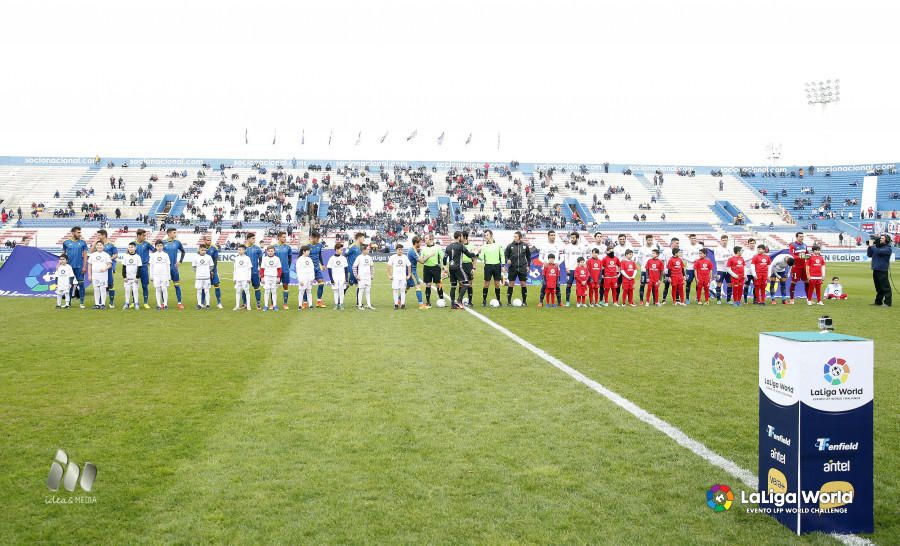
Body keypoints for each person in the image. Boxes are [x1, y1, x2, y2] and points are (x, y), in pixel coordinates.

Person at [444, 230, 479, 309]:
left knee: (453, 286)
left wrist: (445, 267)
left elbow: (444, 258)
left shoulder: (448, 247)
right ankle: (459, 301)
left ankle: (453, 304)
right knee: (466, 283)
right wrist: (476, 254)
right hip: (458, 268)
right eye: (461, 236)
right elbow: (469, 255)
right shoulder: (461, 246)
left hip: (451, 268)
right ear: (459, 237)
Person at [505, 231, 534, 306]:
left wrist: (528, 266)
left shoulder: (525, 245)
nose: (514, 238)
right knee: (511, 284)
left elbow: (528, 256)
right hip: (512, 268)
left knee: (523, 284)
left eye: (516, 236)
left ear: (519, 237)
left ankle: (524, 301)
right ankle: (508, 302)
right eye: (514, 236)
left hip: (522, 267)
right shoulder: (510, 246)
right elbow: (506, 255)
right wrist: (507, 260)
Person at [61, 226, 88, 308]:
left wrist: (84, 266)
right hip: (69, 267)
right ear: (73, 233)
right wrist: (61, 265)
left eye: (80, 232)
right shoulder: (66, 242)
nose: (80, 234)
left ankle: (82, 303)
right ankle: (68, 303)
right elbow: (63, 255)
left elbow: (85, 255)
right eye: (78, 232)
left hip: (79, 267)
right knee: (69, 285)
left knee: (81, 284)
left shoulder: (83, 243)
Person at [478, 229, 505, 307]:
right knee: (486, 284)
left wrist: (503, 265)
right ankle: (484, 300)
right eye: (485, 235)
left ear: (491, 235)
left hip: (497, 266)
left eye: (487, 235)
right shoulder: (484, 246)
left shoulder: (498, 245)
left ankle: (498, 300)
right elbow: (481, 257)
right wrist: (477, 254)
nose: (486, 237)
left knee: (497, 284)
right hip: (488, 266)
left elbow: (502, 255)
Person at [538, 230, 564, 306]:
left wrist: (558, 263)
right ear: (548, 236)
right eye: (551, 235)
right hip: (546, 269)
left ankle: (559, 302)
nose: (553, 236)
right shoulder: (544, 245)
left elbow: (562, 257)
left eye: (554, 235)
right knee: (544, 285)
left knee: (557, 286)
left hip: (556, 269)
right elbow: (540, 257)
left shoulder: (559, 245)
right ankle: (541, 302)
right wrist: (544, 262)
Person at [163, 227, 186, 309]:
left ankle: (179, 303)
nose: (175, 234)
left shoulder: (177, 243)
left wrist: (180, 261)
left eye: (175, 232)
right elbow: (156, 252)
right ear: (168, 233)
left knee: (177, 285)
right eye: (174, 232)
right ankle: (164, 303)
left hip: (174, 268)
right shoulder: (162, 243)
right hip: (165, 269)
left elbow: (183, 251)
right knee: (164, 286)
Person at [420, 232, 445, 307]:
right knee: (428, 285)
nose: (425, 240)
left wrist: (444, 267)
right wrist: (429, 255)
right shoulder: (423, 248)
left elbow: (443, 257)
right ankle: (428, 302)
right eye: (425, 238)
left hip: (436, 268)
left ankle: (442, 300)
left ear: (431, 239)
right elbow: (422, 260)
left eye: (426, 238)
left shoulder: (437, 247)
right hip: (427, 268)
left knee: (438, 284)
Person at [867, 234, 892, 307]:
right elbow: (869, 254)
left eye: (882, 238)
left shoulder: (888, 248)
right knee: (878, 287)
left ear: (886, 240)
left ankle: (888, 302)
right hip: (876, 269)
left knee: (885, 287)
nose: (880, 239)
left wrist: (872, 245)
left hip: (882, 270)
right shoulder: (877, 247)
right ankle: (878, 301)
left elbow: (877, 251)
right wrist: (869, 247)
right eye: (880, 238)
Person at [563, 232, 586, 307]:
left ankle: (580, 302)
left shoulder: (582, 246)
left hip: (580, 270)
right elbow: (566, 258)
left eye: (573, 238)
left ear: (577, 238)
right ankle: (567, 301)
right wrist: (567, 267)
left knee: (581, 286)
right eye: (571, 238)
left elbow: (584, 257)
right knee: (569, 285)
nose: (572, 239)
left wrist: (584, 267)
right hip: (571, 269)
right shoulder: (568, 247)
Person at [86, 240, 112, 309]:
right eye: (98, 245)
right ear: (96, 246)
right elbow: (89, 265)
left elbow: (109, 265)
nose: (99, 246)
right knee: (96, 289)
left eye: (101, 245)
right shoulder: (92, 255)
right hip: (95, 275)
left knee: (102, 288)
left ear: (103, 246)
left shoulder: (106, 255)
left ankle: (103, 304)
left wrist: (105, 268)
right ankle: (97, 304)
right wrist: (89, 275)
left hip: (103, 274)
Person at [97, 229, 119, 308]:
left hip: (108, 267)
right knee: (100, 284)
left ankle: (111, 302)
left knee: (110, 284)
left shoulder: (111, 244)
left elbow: (116, 254)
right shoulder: (98, 244)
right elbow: (93, 252)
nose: (97, 237)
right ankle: (99, 302)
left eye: (99, 235)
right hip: (99, 267)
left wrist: (109, 259)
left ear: (103, 235)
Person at [307, 230, 328, 308]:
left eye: (318, 238)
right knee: (307, 286)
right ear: (312, 238)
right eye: (317, 238)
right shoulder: (307, 247)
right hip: (309, 269)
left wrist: (322, 264)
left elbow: (320, 255)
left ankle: (319, 302)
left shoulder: (319, 245)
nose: (318, 240)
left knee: (321, 283)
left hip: (317, 268)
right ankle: (305, 302)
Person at [387, 243, 412, 310]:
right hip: (395, 277)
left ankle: (403, 304)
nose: (400, 251)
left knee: (402, 290)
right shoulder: (393, 257)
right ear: (396, 250)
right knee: (395, 290)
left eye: (401, 249)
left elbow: (409, 265)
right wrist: (389, 275)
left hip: (403, 277)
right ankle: (396, 304)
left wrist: (409, 274)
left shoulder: (405, 257)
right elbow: (388, 266)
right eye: (399, 249)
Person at [133, 228, 154, 308]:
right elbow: (128, 254)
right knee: (134, 285)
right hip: (134, 268)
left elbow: (155, 251)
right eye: (143, 235)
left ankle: (145, 302)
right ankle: (134, 302)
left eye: (145, 235)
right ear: (138, 235)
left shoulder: (147, 244)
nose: (145, 237)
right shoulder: (133, 244)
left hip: (144, 267)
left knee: (145, 285)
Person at [788, 232, 810, 304]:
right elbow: (792, 256)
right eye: (800, 236)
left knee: (807, 282)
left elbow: (808, 254)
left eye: (802, 236)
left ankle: (808, 299)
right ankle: (791, 299)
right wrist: (802, 256)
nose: (802, 238)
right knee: (793, 282)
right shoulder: (793, 245)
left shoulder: (804, 245)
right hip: (796, 267)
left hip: (804, 266)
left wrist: (808, 256)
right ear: (796, 237)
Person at [119, 242, 143, 310]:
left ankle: (136, 303)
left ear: (135, 248)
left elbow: (139, 268)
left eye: (132, 247)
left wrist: (137, 277)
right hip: (127, 278)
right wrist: (124, 277)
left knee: (135, 290)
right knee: (127, 290)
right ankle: (126, 303)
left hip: (135, 278)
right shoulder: (125, 256)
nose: (130, 248)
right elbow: (124, 267)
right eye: (129, 247)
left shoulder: (138, 257)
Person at [637, 235, 659, 303]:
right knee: (642, 285)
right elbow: (639, 259)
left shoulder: (655, 247)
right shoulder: (642, 248)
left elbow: (657, 258)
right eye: (649, 240)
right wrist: (643, 265)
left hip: (653, 271)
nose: (650, 241)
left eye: (651, 240)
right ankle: (641, 300)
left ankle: (655, 301)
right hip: (644, 270)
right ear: (646, 240)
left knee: (653, 286)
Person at [273, 231, 293, 310]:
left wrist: (287, 267)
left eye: (285, 237)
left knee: (285, 286)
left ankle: (285, 303)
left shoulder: (288, 247)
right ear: (279, 237)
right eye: (283, 237)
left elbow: (290, 259)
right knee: (273, 287)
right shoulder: (274, 247)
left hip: (285, 270)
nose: (285, 238)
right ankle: (272, 303)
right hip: (275, 270)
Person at [259, 245, 282, 311]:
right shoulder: (265, 258)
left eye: (272, 251)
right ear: (266, 251)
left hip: (274, 277)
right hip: (267, 277)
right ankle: (266, 306)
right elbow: (262, 269)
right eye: (269, 251)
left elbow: (279, 269)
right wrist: (262, 277)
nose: (270, 252)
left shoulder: (277, 258)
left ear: (274, 251)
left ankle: (275, 305)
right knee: (267, 291)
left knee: (274, 291)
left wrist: (278, 277)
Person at [353, 243, 376, 309]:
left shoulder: (369, 257)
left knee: (368, 291)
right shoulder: (359, 257)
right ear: (363, 250)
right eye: (367, 249)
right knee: (361, 291)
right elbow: (354, 267)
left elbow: (372, 267)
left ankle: (369, 305)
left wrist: (372, 275)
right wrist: (356, 276)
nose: (368, 250)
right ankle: (360, 305)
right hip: (361, 277)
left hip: (368, 277)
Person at [150, 241, 171, 310]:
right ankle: (158, 305)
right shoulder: (153, 255)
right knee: (158, 289)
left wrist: (169, 275)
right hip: (156, 275)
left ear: (163, 246)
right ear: (155, 247)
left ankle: (165, 304)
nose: (159, 247)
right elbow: (151, 266)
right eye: (158, 246)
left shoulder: (166, 255)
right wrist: (151, 275)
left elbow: (168, 266)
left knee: (164, 289)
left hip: (164, 274)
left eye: (161, 246)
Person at [345, 231, 366, 303]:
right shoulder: (352, 246)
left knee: (360, 285)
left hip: (359, 270)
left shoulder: (361, 247)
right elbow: (345, 255)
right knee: (347, 285)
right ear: (359, 238)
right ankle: (340, 301)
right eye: (363, 238)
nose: (364, 239)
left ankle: (358, 302)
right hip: (351, 270)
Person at [193, 244, 215, 310]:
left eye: (205, 250)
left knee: (207, 291)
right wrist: (198, 272)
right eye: (202, 250)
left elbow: (212, 266)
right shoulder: (195, 257)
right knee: (199, 291)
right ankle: (199, 304)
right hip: (199, 277)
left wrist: (207, 271)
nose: (203, 251)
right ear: (199, 250)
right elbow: (194, 267)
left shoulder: (208, 257)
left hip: (207, 277)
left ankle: (208, 304)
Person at [327, 242, 349, 309]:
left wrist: (346, 279)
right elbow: (329, 269)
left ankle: (341, 304)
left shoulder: (343, 258)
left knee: (341, 291)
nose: (342, 251)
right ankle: (336, 304)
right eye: (341, 250)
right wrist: (331, 279)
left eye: (342, 250)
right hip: (335, 277)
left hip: (342, 277)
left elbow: (346, 269)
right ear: (336, 249)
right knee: (335, 291)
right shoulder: (331, 258)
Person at [203, 236, 223, 309]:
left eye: (210, 240)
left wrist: (212, 270)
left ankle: (219, 302)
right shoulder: (201, 248)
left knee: (216, 285)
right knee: (203, 287)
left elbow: (215, 260)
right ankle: (202, 302)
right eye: (208, 240)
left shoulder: (214, 248)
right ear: (204, 240)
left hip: (213, 270)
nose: (209, 241)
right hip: (204, 271)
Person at [406, 236, 427, 309]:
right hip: (411, 271)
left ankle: (399, 300)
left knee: (408, 287)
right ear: (416, 243)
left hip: (409, 270)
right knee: (418, 286)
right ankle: (421, 305)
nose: (421, 243)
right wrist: (429, 255)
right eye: (420, 242)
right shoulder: (412, 251)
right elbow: (422, 261)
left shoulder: (413, 250)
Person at [244, 232, 263, 309]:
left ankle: (258, 303)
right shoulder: (243, 248)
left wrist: (260, 271)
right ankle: (245, 303)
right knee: (244, 287)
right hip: (245, 272)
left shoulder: (257, 248)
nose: (254, 240)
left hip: (255, 271)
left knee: (257, 287)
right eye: (253, 238)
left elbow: (261, 261)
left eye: (254, 238)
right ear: (248, 239)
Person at [714, 235, 733, 304]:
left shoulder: (730, 248)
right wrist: (727, 259)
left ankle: (728, 300)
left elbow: (733, 258)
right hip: (720, 269)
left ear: (727, 241)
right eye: (723, 240)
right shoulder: (717, 249)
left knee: (730, 284)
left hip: (729, 269)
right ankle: (718, 300)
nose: (724, 242)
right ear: (721, 241)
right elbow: (717, 259)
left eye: (726, 240)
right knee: (719, 284)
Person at [683, 234, 702, 303]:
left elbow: (703, 255)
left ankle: (698, 298)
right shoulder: (686, 247)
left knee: (698, 282)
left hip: (699, 268)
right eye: (692, 238)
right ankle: (687, 298)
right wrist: (691, 260)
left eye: (694, 238)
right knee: (688, 283)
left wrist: (698, 259)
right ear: (689, 239)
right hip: (690, 268)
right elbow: (684, 256)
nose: (693, 239)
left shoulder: (700, 246)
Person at [233, 244, 253, 311]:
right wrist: (234, 278)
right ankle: (237, 306)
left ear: (244, 250)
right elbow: (235, 269)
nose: (239, 251)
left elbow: (249, 269)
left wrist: (249, 278)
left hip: (245, 278)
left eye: (241, 250)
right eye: (238, 250)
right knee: (238, 292)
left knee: (247, 291)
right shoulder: (236, 258)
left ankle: (248, 306)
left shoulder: (247, 258)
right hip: (238, 278)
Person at [295, 245, 316, 310]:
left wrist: (312, 278)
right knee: (301, 291)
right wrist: (300, 280)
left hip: (309, 277)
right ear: (304, 251)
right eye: (308, 251)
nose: (309, 252)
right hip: (303, 277)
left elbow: (312, 269)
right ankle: (300, 305)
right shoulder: (299, 260)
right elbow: (298, 270)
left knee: (309, 291)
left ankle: (310, 305)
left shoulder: (309, 259)